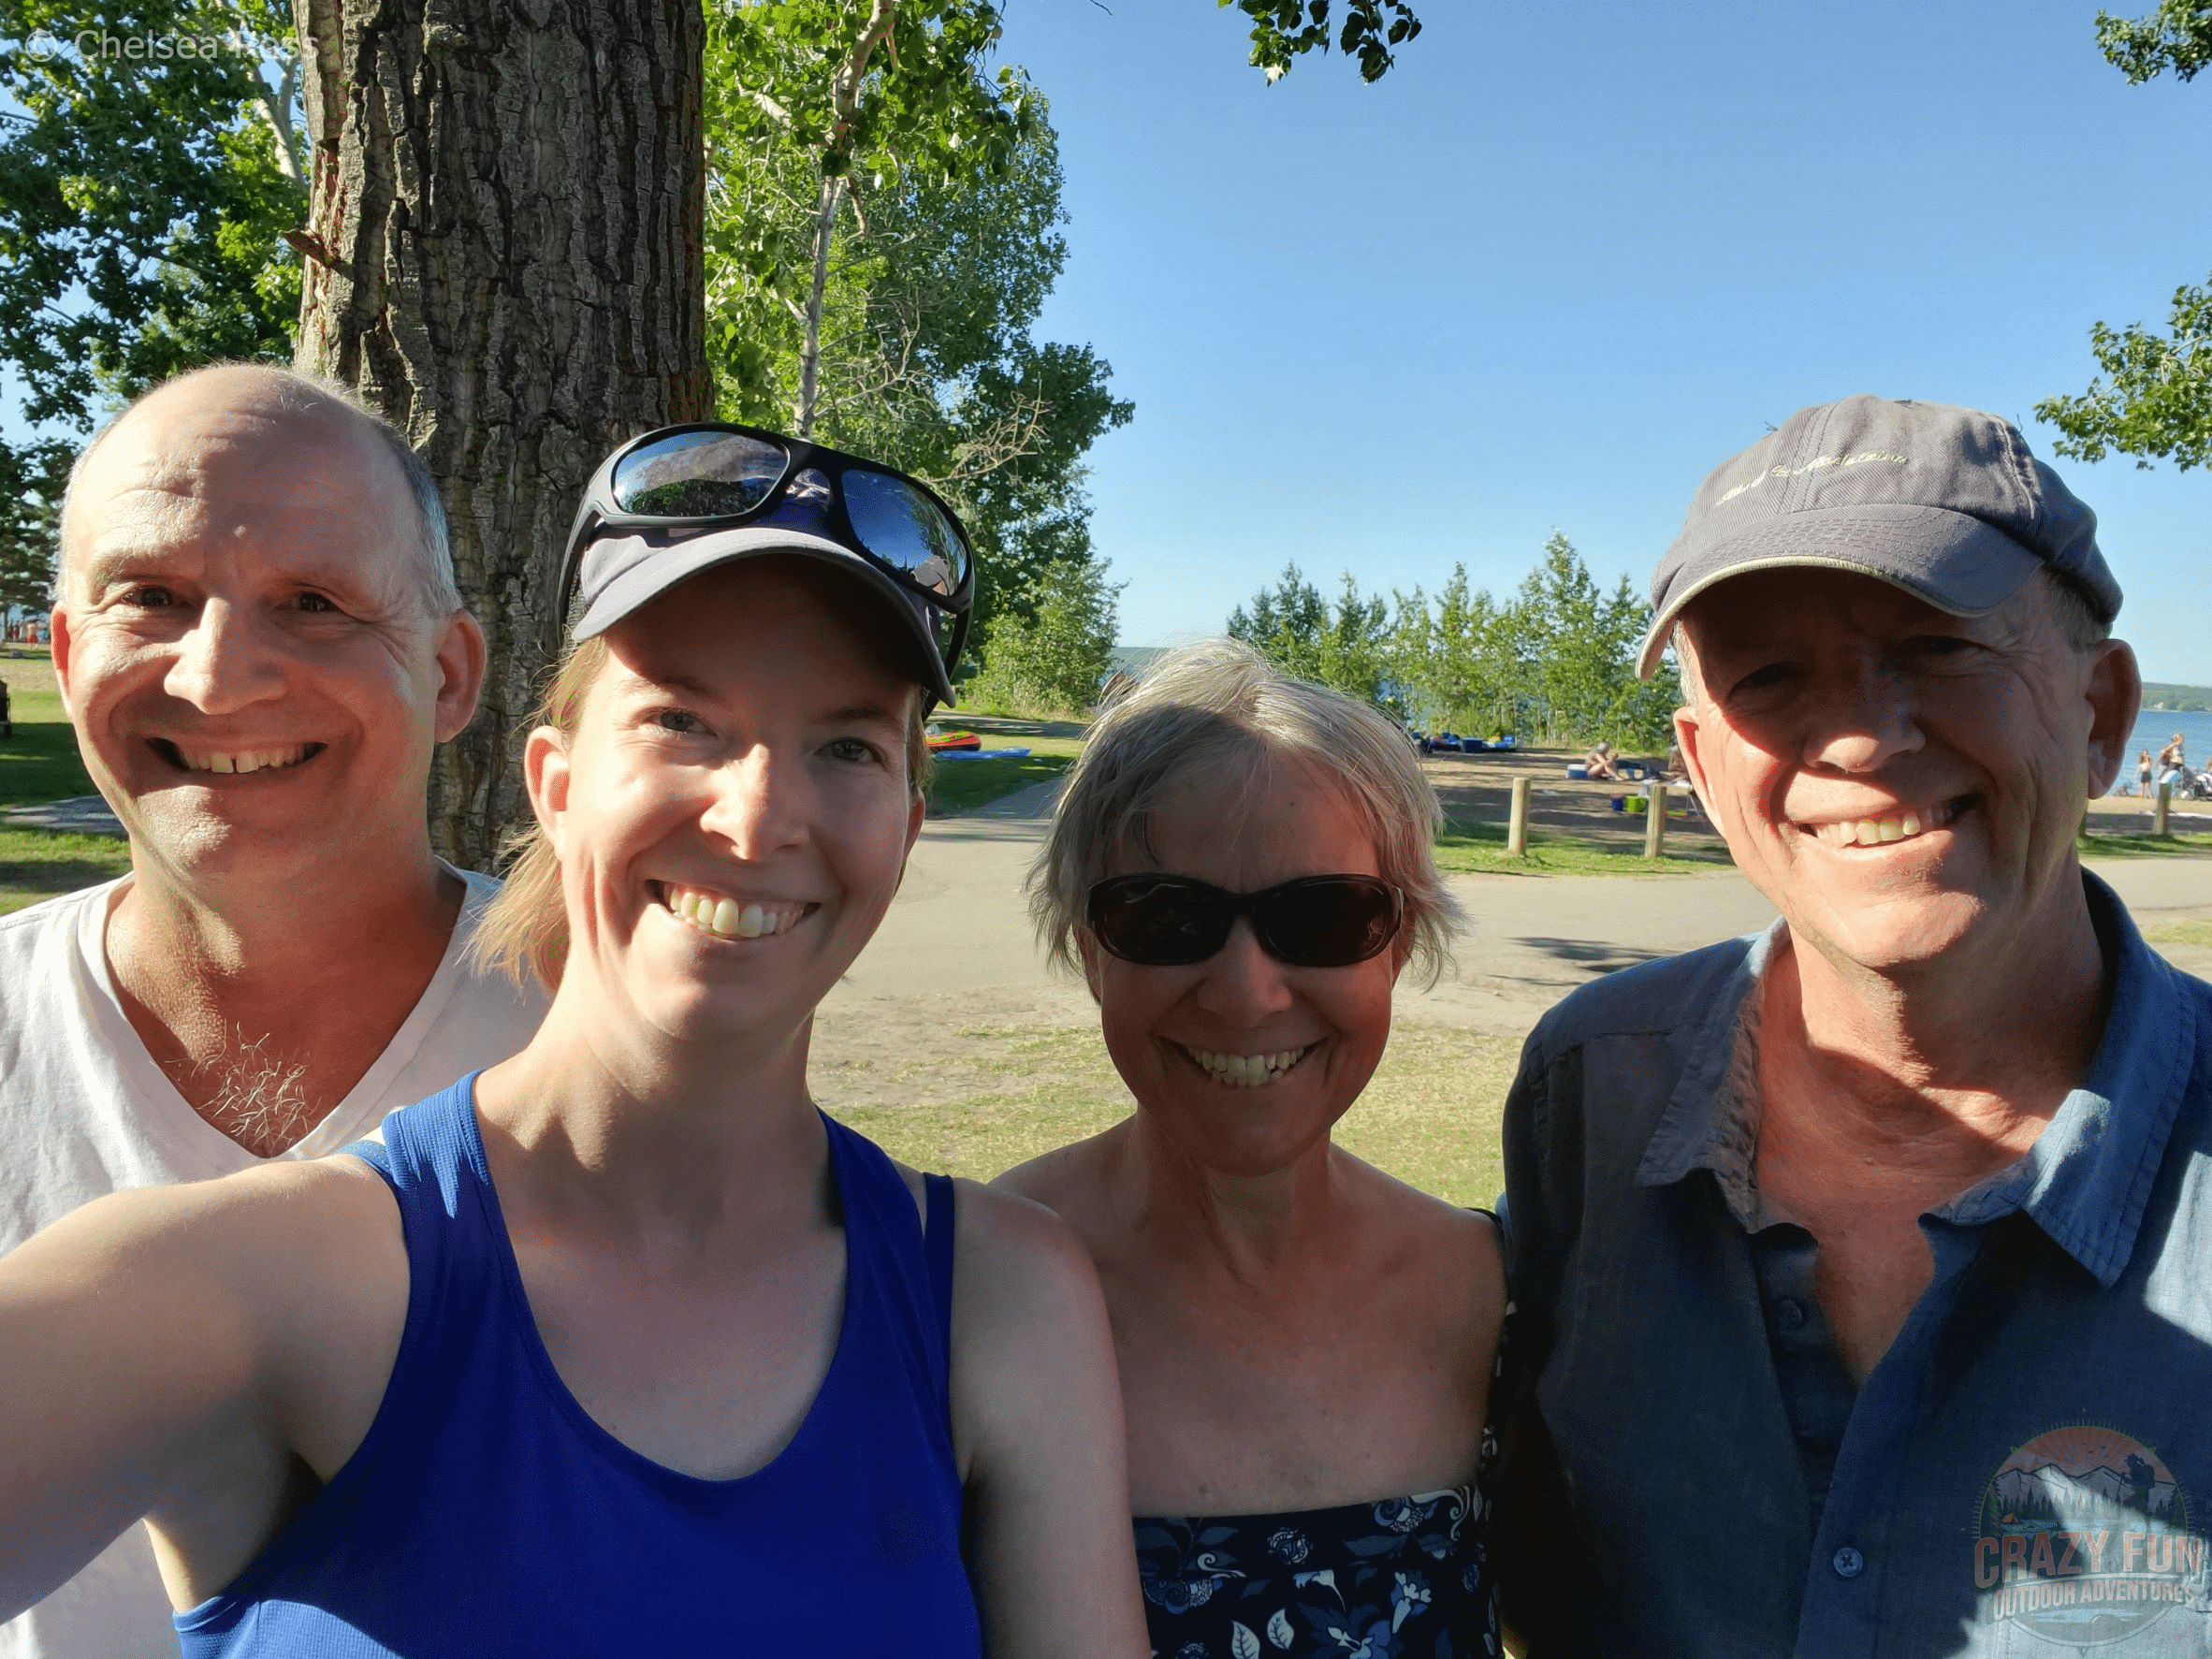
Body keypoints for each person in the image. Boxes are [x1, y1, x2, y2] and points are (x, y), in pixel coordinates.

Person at [0, 422, 1146, 1654]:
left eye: (848, 745)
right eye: (684, 722)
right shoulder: (249, 1289)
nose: (759, 814)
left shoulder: (1001, 1302)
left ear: (907, 825)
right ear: (553, 781)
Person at [1489, 394, 2212, 1654]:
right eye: (1770, 676)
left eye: (1938, 647)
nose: (1866, 736)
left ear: (2102, 714)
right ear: (1705, 769)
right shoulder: (1592, 1095)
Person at [0, 365, 547, 1659]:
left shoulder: (608, 1046)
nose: (220, 675)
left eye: (313, 603)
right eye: (151, 597)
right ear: (67, 651)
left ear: (452, 672)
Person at [1001, 640, 1505, 1659]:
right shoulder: (963, 1292)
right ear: (1087, 945)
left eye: (1323, 915)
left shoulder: (1497, 1296)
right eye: (1164, 915)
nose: (1246, 992)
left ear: (1401, 942)